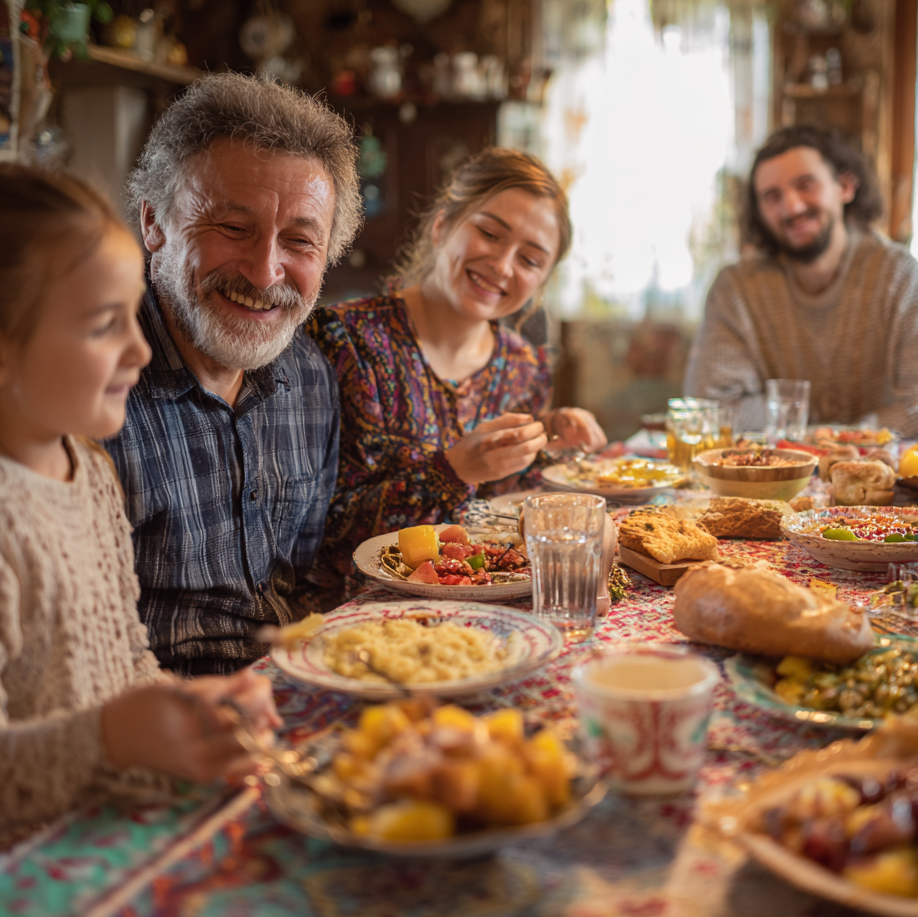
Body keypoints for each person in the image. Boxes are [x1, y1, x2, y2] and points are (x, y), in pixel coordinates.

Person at [0, 165, 280, 838]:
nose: (140, 347)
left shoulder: (90, 472)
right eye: (104, 325)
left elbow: (125, 660)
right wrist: (112, 738)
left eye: (133, 314)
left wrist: (188, 709)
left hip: (107, 826)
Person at [104, 72, 361, 676]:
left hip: (292, 689)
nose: (265, 270)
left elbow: (298, 584)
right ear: (153, 223)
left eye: (299, 240)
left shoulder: (312, 379)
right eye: (232, 228)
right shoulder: (85, 384)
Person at [307, 147, 606, 596]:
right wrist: (452, 470)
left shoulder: (524, 368)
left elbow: (508, 514)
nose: (503, 266)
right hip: (359, 615)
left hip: (486, 609)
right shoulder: (344, 341)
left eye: (529, 260)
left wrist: (552, 441)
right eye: (489, 233)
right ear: (442, 224)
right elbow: (310, 529)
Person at [684, 125, 918, 438]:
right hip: (773, 478)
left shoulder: (900, 276)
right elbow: (709, 410)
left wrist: (825, 433)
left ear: (845, 186)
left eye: (806, 185)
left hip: (883, 476)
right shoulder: (735, 288)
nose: (791, 206)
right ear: (759, 212)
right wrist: (820, 433)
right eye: (772, 196)